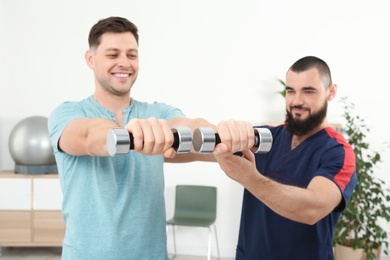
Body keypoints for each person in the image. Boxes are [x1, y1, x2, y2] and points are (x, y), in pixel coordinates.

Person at [48, 16, 253, 260]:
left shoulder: (159, 114)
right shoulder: (68, 114)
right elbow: (90, 137)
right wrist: (128, 133)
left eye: (131, 55)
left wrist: (222, 132)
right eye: (113, 55)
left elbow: (189, 127)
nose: (124, 62)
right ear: (90, 59)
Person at [212, 56, 358, 260]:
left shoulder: (338, 152)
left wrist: (249, 178)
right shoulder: (266, 137)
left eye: (308, 91)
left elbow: (311, 209)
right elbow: (204, 146)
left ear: (330, 92)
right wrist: (166, 139)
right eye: (290, 91)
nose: (297, 101)